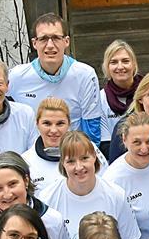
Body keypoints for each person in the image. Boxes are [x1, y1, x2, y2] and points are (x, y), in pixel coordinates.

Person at [37, 130, 141, 239]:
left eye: (84, 158)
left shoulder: (116, 194)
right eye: (71, 161)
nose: (79, 167)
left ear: (94, 157)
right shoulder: (47, 198)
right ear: (62, 163)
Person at [9, 13, 102, 143]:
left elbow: (91, 128)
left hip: (71, 153)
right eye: (43, 39)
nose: (50, 45)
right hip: (32, 154)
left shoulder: (84, 75)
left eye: (56, 38)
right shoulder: (17, 76)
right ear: (34, 43)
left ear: (66, 41)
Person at [24, 98, 107, 192]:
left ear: (69, 124)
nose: (54, 130)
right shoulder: (26, 162)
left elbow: (105, 184)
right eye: (47, 123)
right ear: (37, 124)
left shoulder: (87, 148)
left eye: (60, 123)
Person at [97, 39, 140, 156]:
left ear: (134, 64)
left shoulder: (148, 92)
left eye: (125, 61)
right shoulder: (100, 99)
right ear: (107, 67)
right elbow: (105, 144)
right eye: (114, 62)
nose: (120, 67)